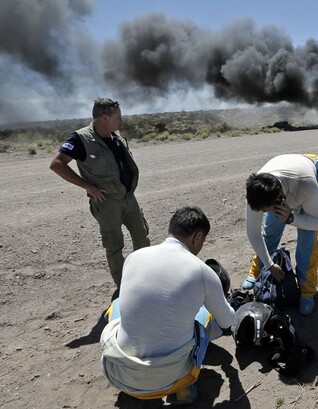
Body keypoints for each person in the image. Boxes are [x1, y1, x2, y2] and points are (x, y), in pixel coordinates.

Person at [100, 206, 235, 405]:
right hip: (170, 379)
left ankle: (136, 382)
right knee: (205, 315)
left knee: (118, 304)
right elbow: (228, 321)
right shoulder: (202, 271)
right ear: (197, 237)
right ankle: (183, 389)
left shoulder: (133, 258)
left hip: (121, 375)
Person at [50, 98, 150, 292]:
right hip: (106, 202)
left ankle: (145, 279)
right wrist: (87, 186)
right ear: (105, 117)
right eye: (118, 116)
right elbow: (56, 164)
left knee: (142, 239)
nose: (121, 120)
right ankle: (125, 290)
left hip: (128, 198)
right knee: (115, 246)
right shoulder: (81, 139)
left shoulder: (116, 136)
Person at [242, 154, 318, 316]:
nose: (264, 212)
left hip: (311, 170)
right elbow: (253, 232)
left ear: (278, 199)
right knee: (270, 233)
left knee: (307, 240)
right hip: (289, 167)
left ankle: (307, 291)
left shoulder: (306, 186)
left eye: (267, 209)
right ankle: (256, 271)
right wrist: (269, 264)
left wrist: (291, 218)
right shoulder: (256, 191)